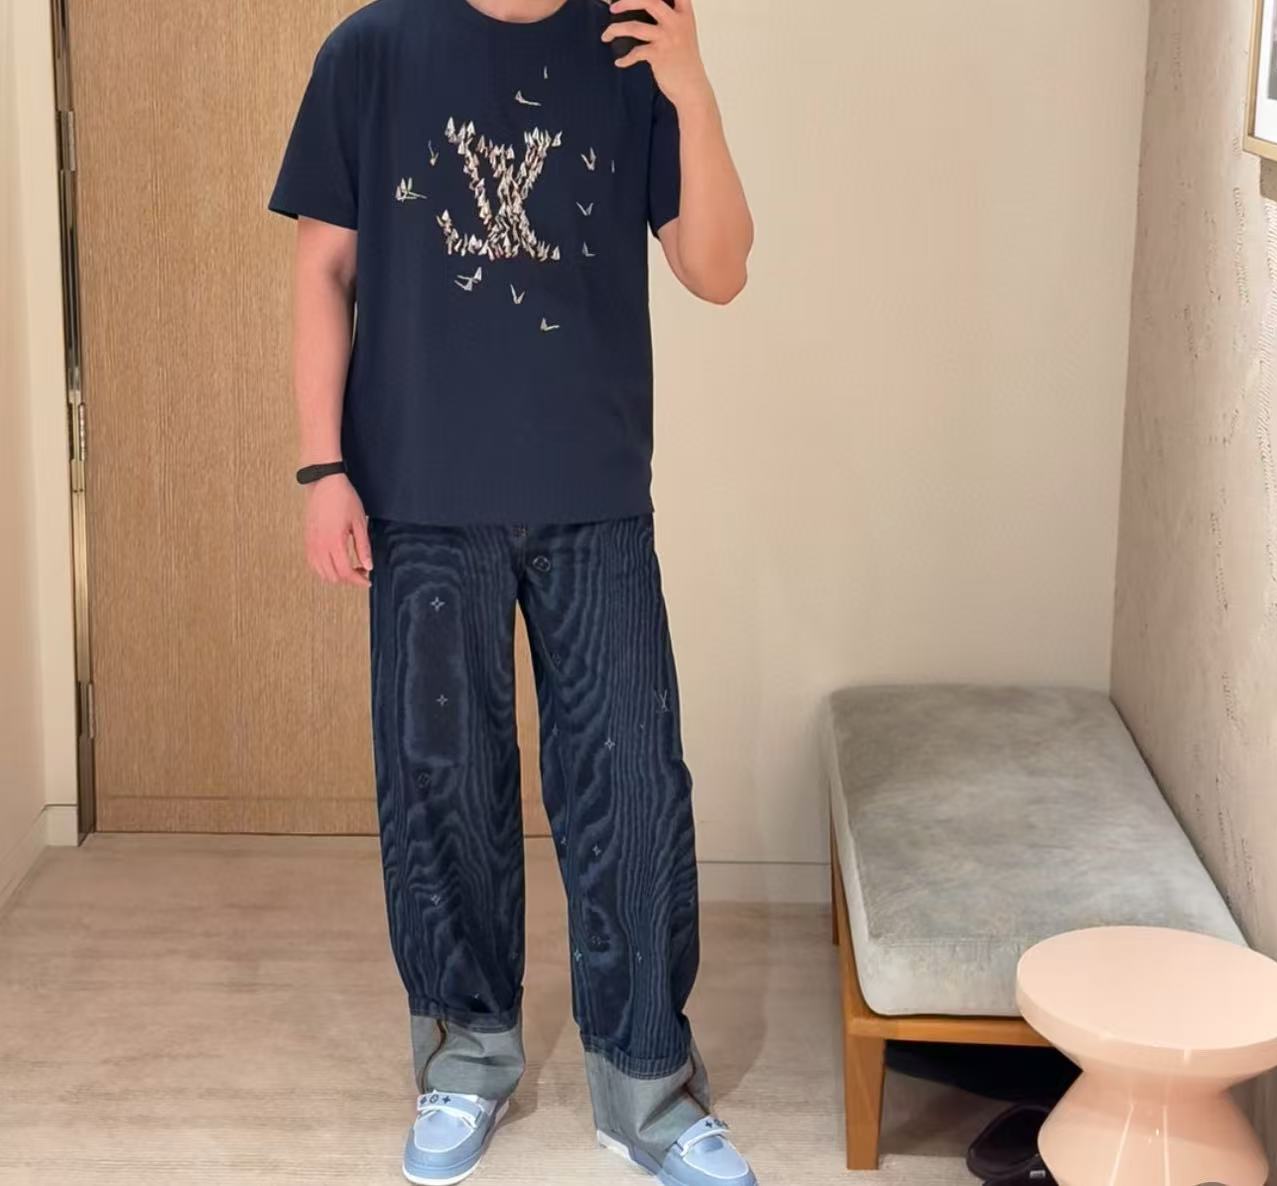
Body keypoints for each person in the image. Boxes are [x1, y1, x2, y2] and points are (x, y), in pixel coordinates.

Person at [268, 0, 753, 1182]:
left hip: (594, 492)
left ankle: (645, 1086)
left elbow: (717, 270)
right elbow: (323, 268)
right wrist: (323, 468)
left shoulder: (632, 46)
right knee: (440, 787)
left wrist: (691, 90)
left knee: (632, 789)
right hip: (420, 494)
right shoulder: (371, 51)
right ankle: (465, 1058)